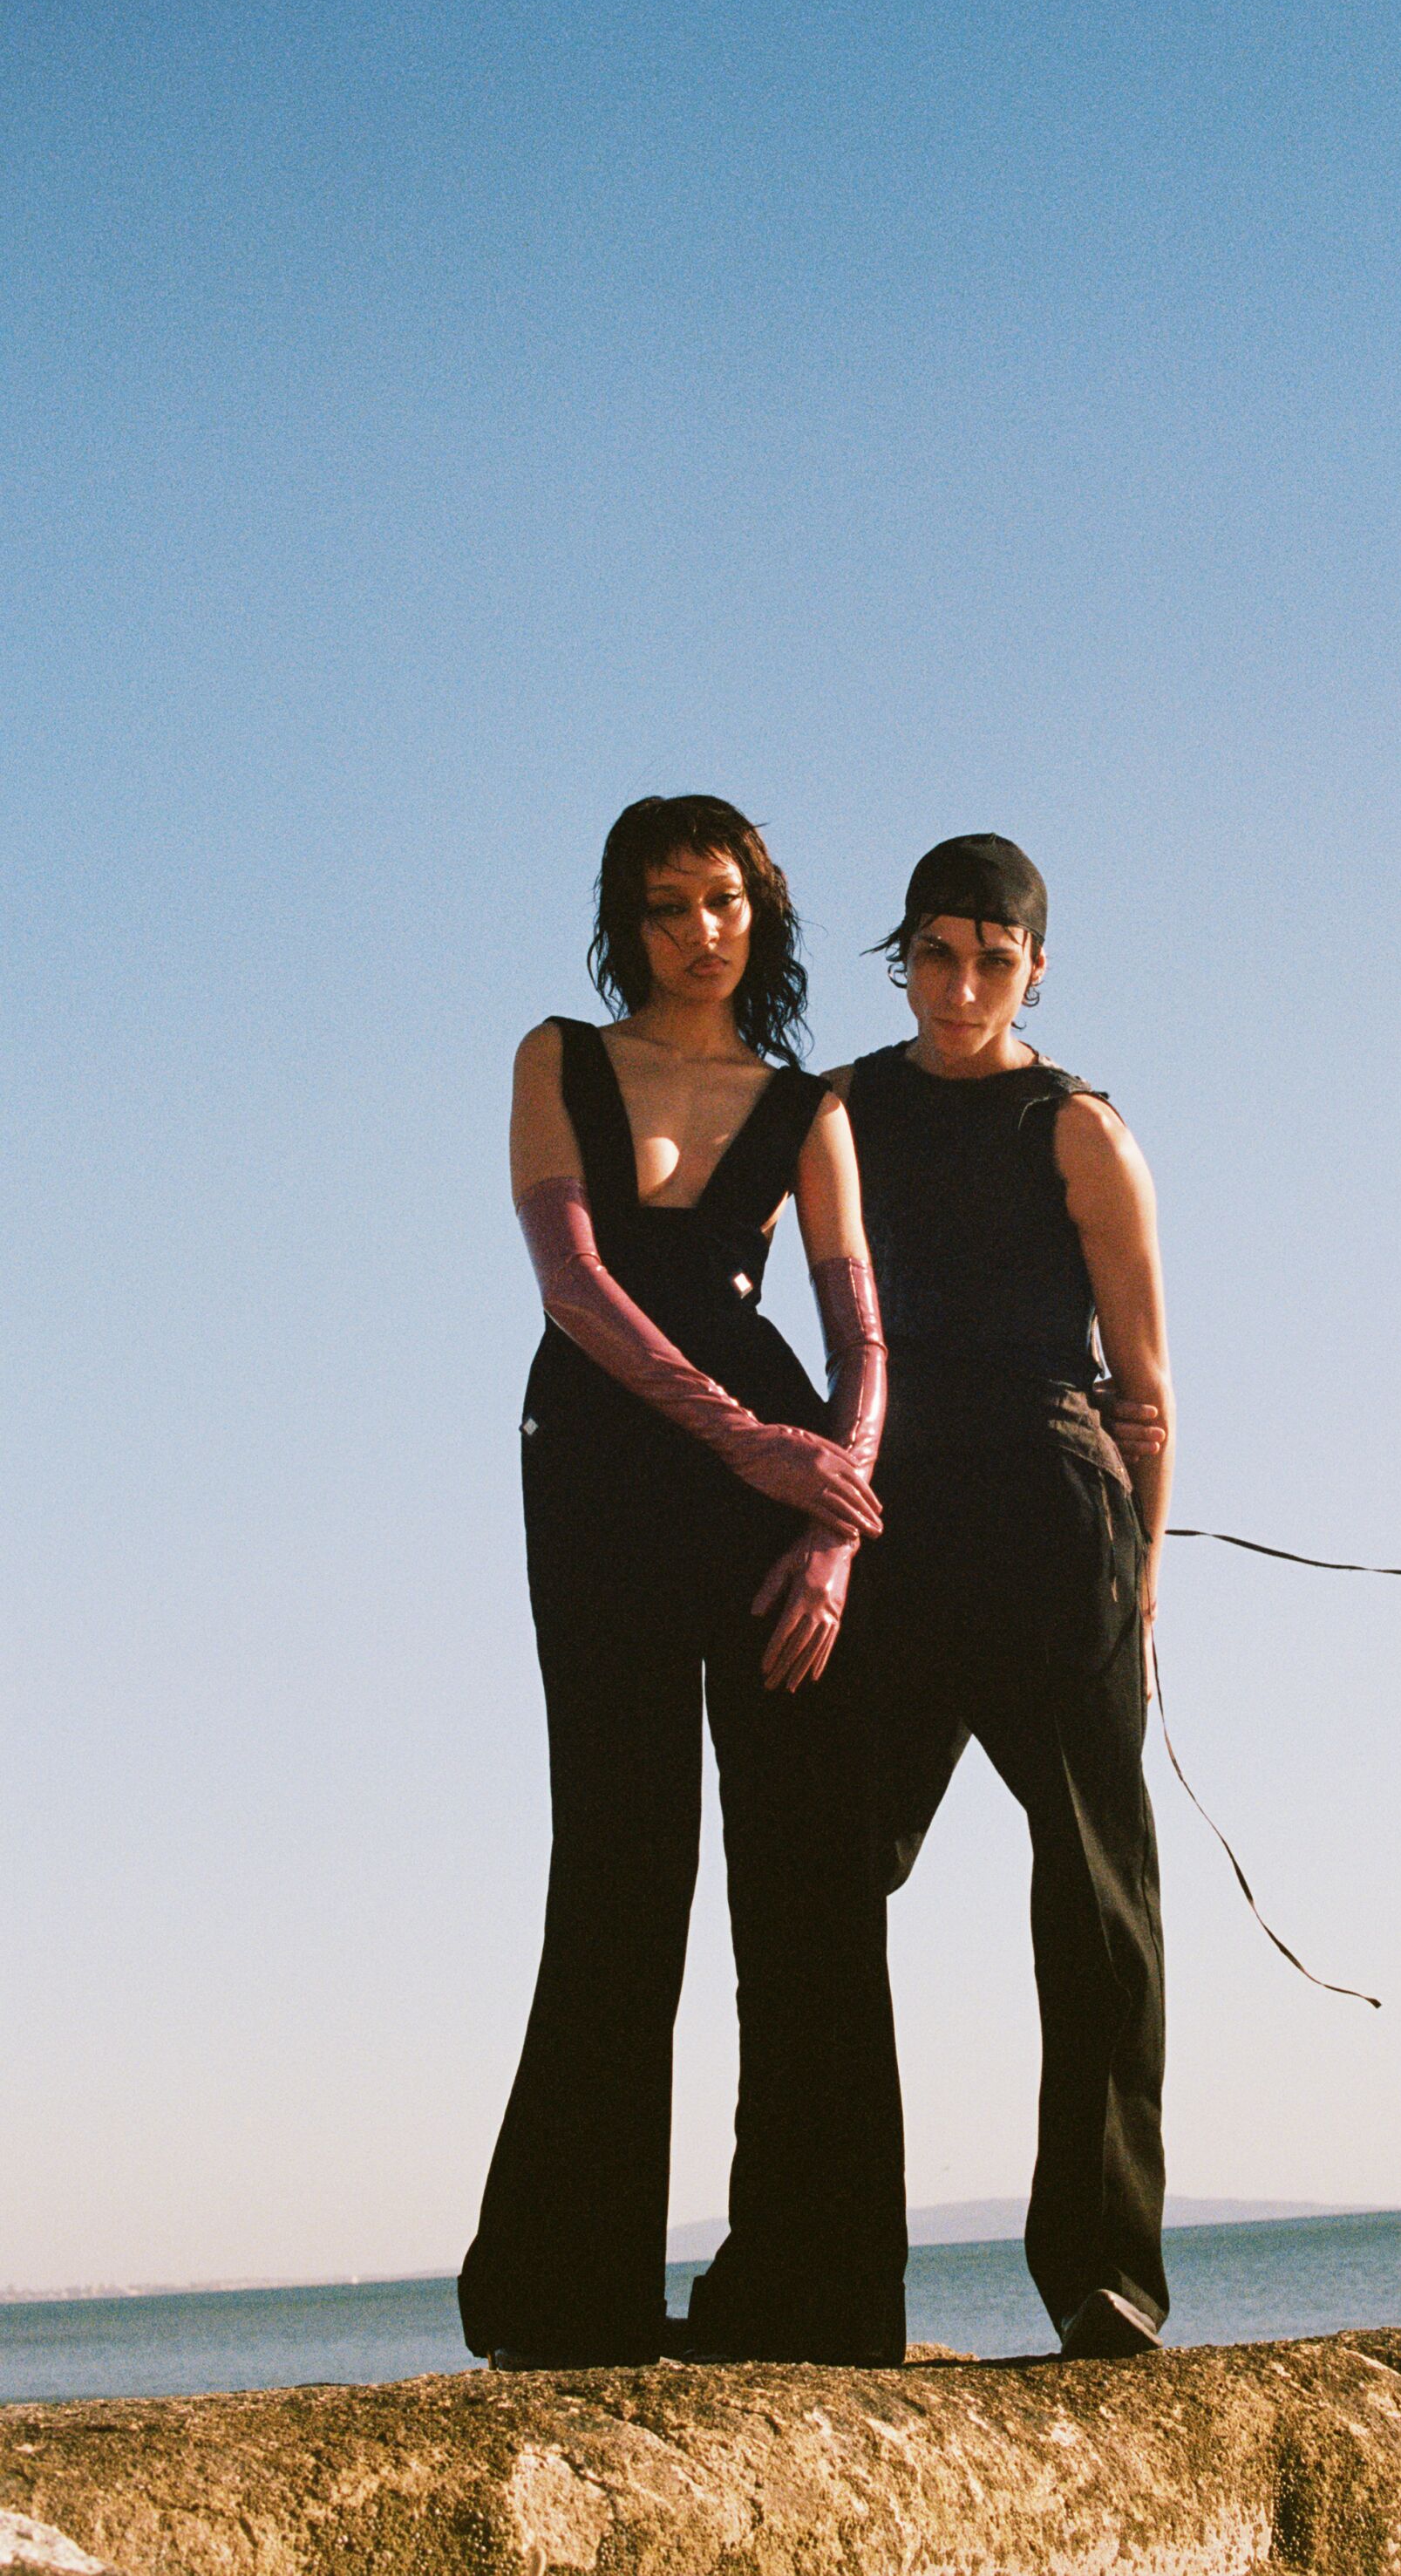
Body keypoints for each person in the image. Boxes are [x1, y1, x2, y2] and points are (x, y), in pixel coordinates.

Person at [459, 794, 908, 2371]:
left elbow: (865, 1347)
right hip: (601, 1465)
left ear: (761, 912)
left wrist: (837, 1526)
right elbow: (573, 1286)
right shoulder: (558, 1059)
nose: (698, 928)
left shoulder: (811, 1107)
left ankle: (814, 2287)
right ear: (624, 919)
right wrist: (748, 1444)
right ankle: (564, 2293)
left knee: (807, 1883)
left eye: (723, 899)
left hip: (780, 1504)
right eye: (665, 904)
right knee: (623, 1862)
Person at [833, 834, 1176, 2360]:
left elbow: (1149, 1393)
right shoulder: (839, 1110)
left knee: (1096, 1894)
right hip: (890, 1516)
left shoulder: (1079, 1129)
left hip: (1055, 1521)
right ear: (900, 954)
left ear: (1037, 966)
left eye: (993, 953)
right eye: (935, 950)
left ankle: (1104, 2271)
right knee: (822, 1875)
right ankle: (823, 2272)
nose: (961, 982)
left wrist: (1142, 1579)